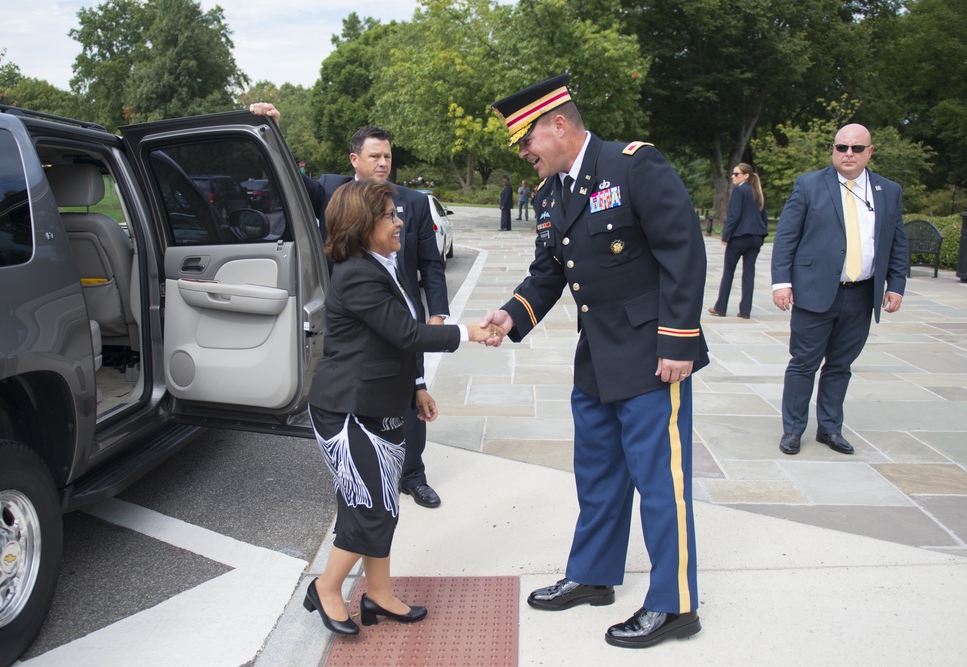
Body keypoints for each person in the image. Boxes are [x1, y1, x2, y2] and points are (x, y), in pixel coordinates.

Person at [483, 73, 709, 650]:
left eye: (526, 140)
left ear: (559, 125)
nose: (524, 153)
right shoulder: (552, 192)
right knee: (598, 474)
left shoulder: (634, 166)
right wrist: (512, 315)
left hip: (653, 356)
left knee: (661, 482)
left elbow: (683, 249)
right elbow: (550, 271)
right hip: (597, 356)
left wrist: (679, 341)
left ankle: (674, 603)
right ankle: (593, 574)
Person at [303, 180, 498, 636]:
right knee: (373, 509)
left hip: (382, 405)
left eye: (396, 213)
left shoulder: (385, 266)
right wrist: (468, 332)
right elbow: (408, 334)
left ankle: (379, 594)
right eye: (390, 215)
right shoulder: (355, 274)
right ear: (361, 223)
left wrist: (417, 387)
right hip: (347, 411)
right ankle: (327, 589)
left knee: (379, 504)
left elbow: (396, 340)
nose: (400, 220)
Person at [249, 103, 448, 509]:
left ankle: (413, 475)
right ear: (354, 159)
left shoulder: (413, 200)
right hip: (351, 317)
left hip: (400, 315)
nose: (383, 163)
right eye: (374, 155)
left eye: (388, 155)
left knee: (412, 388)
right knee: (358, 389)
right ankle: (363, 468)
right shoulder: (331, 189)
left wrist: (438, 312)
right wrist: (269, 129)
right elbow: (289, 179)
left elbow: (430, 263)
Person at [772, 123, 908, 456]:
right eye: (841, 147)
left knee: (840, 365)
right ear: (833, 149)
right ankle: (793, 430)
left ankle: (830, 429)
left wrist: (897, 285)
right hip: (814, 291)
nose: (848, 154)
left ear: (869, 152)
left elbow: (897, 240)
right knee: (804, 363)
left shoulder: (887, 191)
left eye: (856, 149)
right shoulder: (808, 185)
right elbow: (786, 237)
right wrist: (781, 283)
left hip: (862, 294)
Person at [708, 163, 768, 319]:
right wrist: (761, 236)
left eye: (736, 174)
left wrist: (725, 236)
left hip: (739, 237)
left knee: (728, 272)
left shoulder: (740, 190)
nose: (733, 176)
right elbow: (764, 217)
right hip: (755, 238)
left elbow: (734, 216)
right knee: (749, 273)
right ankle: (745, 311)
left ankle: (720, 307)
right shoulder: (757, 191)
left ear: (746, 175)